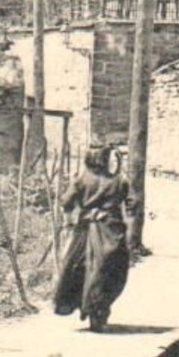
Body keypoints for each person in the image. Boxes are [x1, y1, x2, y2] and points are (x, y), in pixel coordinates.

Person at [54, 141, 132, 332]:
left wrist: (69, 219)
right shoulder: (119, 180)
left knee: (77, 267)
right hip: (111, 230)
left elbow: (66, 203)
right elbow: (131, 203)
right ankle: (99, 311)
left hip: (85, 230)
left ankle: (83, 305)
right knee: (108, 269)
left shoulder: (81, 180)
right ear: (105, 159)